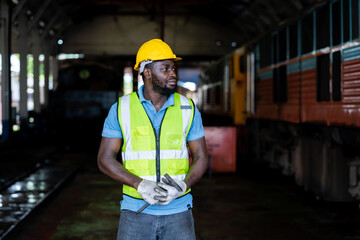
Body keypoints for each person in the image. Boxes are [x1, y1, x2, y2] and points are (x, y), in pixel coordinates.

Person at [97, 39, 208, 240]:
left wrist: (183, 185)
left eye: (173, 68)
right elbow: (104, 159)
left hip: (179, 212)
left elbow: (201, 157)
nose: (173, 73)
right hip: (135, 212)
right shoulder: (122, 108)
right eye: (165, 69)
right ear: (147, 72)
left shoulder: (188, 108)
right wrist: (138, 184)